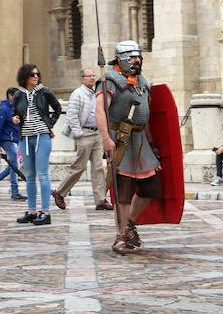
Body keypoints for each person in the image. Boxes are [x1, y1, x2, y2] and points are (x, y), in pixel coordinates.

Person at [97, 40, 163, 255]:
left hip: (141, 141)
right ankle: (121, 236)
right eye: (131, 57)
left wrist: (152, 143)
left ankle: (130, 224)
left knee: (151, 187)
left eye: (138, 57)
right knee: (123, 192)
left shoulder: (143, 82)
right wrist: (106, 138)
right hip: (121, 141)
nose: (136, 61)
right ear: (120, 59)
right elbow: (100, 112)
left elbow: (147, 115)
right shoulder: (109, 81)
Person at [53, 68, 111, 211]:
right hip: (84, 133)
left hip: (97, 133)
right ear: (82, 79)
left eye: (93, 75)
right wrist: (79, 134)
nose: (92, 78)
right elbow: (71, 116)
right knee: (79, 167)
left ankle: (101, 200)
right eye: (88, 76)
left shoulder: (96, 93)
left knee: (98, 168)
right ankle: (60, 192)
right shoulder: (77, 94)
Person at [12, 64, 61, 225]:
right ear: (25, 76)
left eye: (37, 74)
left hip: (42, 136)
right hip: (25, 137)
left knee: (43, 174)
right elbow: (15, 113)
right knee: (30, 176)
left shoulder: (44, 91)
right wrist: (16, 118)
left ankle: (45, 212)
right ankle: (32, 211)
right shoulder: (19, 94)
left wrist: (49, 124)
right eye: (32, 74)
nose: (35, 76)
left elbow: (57, 108)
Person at [0, 87, 26, 200]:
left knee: (13, 166)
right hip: (7, 140)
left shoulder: (15, 108)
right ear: (10, 96)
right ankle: (14, 192)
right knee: (14, 166)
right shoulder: (4, 109)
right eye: (17, 96)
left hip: (14, 140)